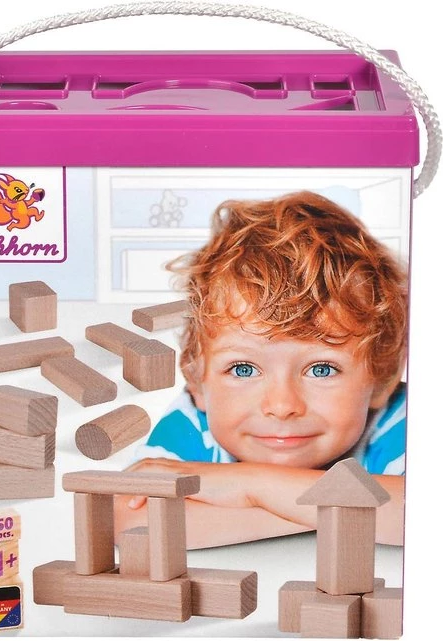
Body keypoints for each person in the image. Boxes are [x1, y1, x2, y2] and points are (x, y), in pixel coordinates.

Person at [114, 191, 407, 549]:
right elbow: (132, 521)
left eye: (321, 369)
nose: (281, 406)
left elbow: (423, 514)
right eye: (242, 369)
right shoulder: (192, 422)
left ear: (382, 378)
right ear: (196, 382)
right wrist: (336, 510)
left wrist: (250, 484)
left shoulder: (397, 420)